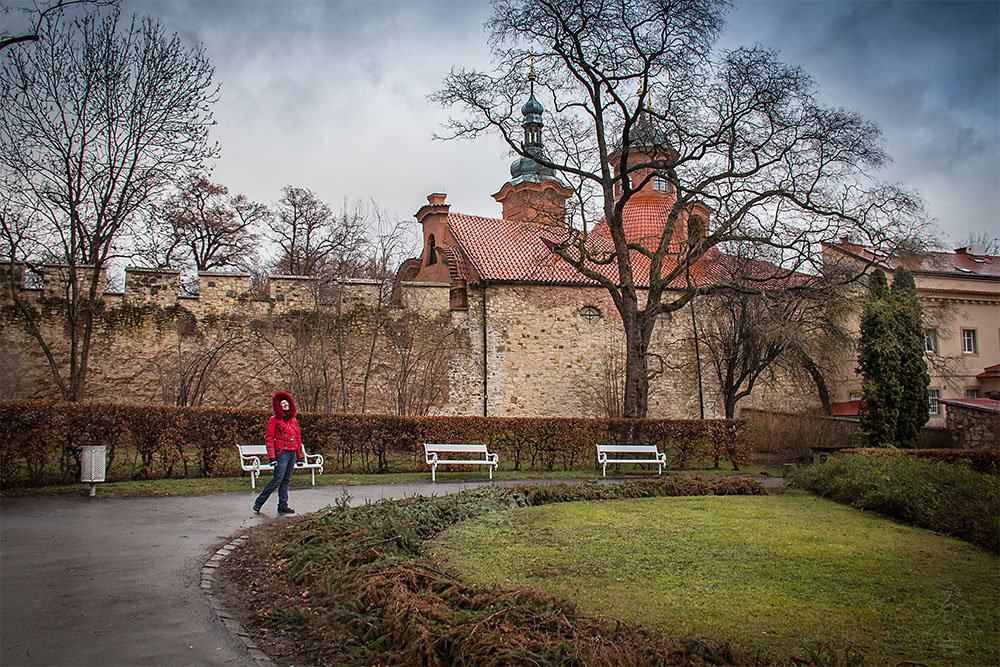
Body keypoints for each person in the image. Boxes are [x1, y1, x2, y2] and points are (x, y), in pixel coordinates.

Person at [253, 391, 305, 515]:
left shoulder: (293, 420)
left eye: (287, 403)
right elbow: (269, 438)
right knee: (277, 479)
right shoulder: (274, 420)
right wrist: (272, 457)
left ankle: (283, 505)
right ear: (279, 406)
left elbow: (298, 438)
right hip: (282, 452)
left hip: (292, 452)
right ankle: (259, 502)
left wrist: (300, 456)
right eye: (282, 403)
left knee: (286, 480)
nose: (285, 405)